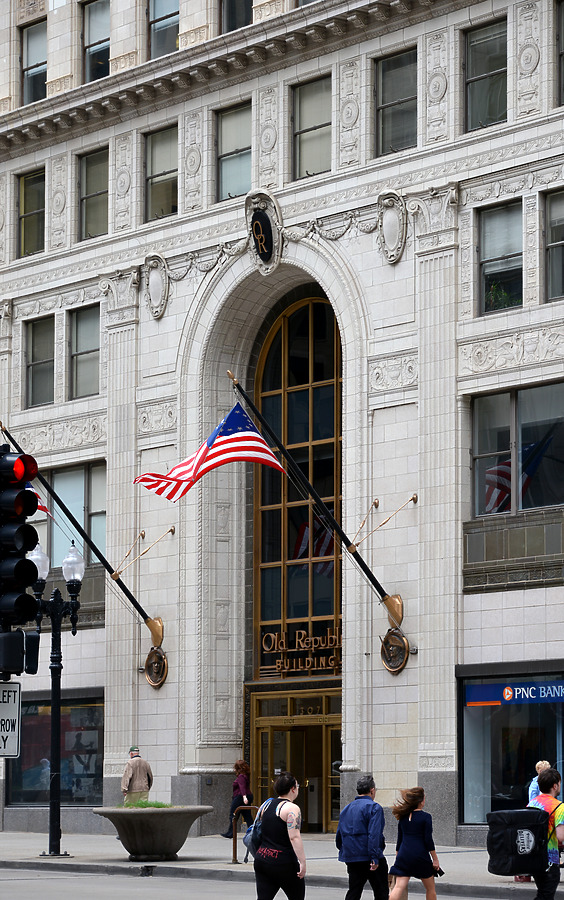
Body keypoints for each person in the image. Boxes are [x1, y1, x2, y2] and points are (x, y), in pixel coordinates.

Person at [253, 771, 306, 900]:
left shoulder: (266, 805)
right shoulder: (292, 808)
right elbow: (294, 837)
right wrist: (303, 862)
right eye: (297, 786)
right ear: (292, 789)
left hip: (262, 858)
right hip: (283, 862)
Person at [336, 774, 388, 900]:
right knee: (381, 892)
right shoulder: (374, 808)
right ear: (372, 790)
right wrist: (374, 858)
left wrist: (345, 851)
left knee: (354, 891)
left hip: (352, 857)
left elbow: (339, 836)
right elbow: (374, 834)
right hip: (370, 856)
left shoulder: (346, 809)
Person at [389, 787, 440, 900]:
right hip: (420, 855)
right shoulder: (426, 817)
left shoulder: (403, 817)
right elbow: (428, 840)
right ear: (421, 801)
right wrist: (435, 859)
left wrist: (398, 856)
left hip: (404, 855)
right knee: (430, 889)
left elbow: (399, 839)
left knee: (398, 887)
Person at [527, 766, 564, 900]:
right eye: (559, 783)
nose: (560, 786)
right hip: (550, 858)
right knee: (546, 895)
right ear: (555, 786)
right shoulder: (559, 806)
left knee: (543, 893)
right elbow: (561, 836)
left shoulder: (532, 803)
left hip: (534, 856)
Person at [222, 759, 254, 838]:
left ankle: (231, 833)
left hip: (240, 797)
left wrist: (244, 797)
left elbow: (242, 787)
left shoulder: (241, 776)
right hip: (246, 796)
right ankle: (254, 831)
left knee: (233, 814)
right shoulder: (246, 775)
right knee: (247, 816)